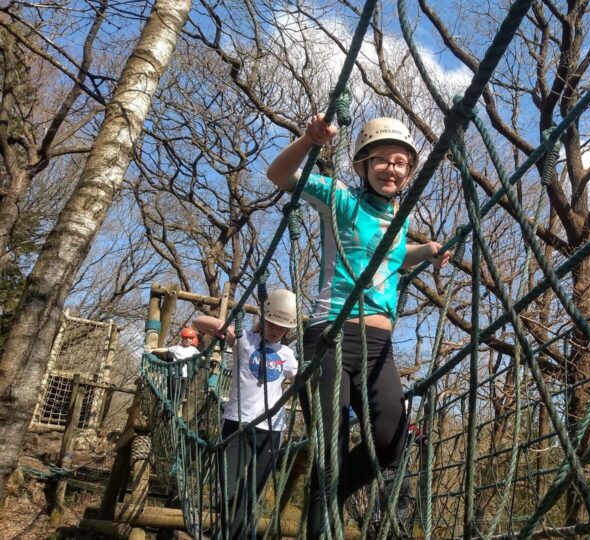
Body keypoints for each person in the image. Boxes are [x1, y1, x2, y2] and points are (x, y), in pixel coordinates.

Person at [266, 114, 450, 533]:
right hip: (331, 333)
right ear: (363, 165)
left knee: (391, 439)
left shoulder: (399, 222)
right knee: (330, 448)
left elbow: (392, 257)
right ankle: (322, 508)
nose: (392, 168)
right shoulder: (341, 200)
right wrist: (308, 141)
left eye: (401, 162)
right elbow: (279, 174)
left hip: (379, 345)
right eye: (382, 159)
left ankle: (327, 493)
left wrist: (428, 250)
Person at [193, 289, 299, 539]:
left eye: (282, 327)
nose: (275, 331)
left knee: (251, 494)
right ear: (263, 319)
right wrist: (221, 325)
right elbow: (198, 322)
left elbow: (300, 379)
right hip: (237, 424)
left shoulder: (287, 355)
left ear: (288, 331)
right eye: (272, 323)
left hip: (271, 430)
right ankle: (226, 528)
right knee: (228, 489)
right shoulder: (244, 340)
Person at [164, 327, 200, 401]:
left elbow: (202, 356)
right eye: (186, 338)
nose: (188, 340)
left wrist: (213, 358)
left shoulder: (193, 350)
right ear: (182, 338)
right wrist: (152, 350)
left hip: (185, 375)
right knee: (174, 393)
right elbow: (164, 350)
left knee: (181, 394)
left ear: (192, 340)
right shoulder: (176, 348)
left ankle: (176, 407)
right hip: (175, 374)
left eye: (190, 338)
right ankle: (171, 407)